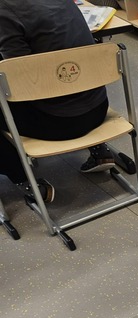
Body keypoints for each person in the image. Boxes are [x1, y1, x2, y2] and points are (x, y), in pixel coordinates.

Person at [0, 0, 116, 203]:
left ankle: (24, 180)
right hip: (98, 108)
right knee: (67, 69)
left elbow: (20, 78)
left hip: (60, 124)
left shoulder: (4, 10)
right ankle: (99, 150)